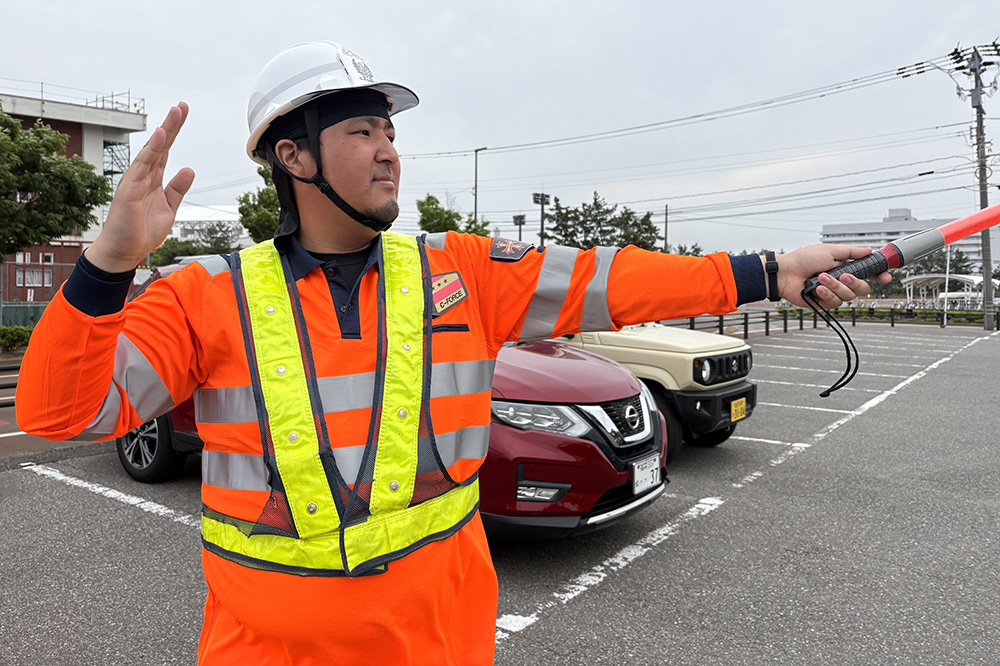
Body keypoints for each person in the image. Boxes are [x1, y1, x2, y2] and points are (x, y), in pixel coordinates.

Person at [16, 41, 888, 665]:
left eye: (388, 131)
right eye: (361, 131)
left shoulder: (459, 271)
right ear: (293, 155)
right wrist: (106, 265)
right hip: (263, 651)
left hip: (439, 645)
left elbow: (618, 281)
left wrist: (772, 269)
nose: (389, 148)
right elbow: (63, 414)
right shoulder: (207, 293)